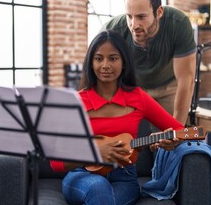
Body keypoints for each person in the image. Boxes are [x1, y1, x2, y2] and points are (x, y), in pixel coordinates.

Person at [50, 29, 184, 205]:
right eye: (99, 58)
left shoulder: (138, 97)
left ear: (124, 63)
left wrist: (172, 141)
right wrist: (93, 154)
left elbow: (179, 130)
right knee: (98, 187)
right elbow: (55, 162)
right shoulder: (76, 102)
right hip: (82, 175)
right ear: (91, 63)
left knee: (102, 197)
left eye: (113, 58)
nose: (105, 65)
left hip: (124, 178)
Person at [101, 0, 196, 126]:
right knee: (125, 139)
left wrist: (177, 131)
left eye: (141, 17)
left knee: (170, 138)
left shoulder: (178, 23)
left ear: (159, 12)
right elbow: (100, 78)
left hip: (169, 87)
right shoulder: (112, 30)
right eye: (129, 16)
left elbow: (186, 80)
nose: (134, 25)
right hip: (133, 88)